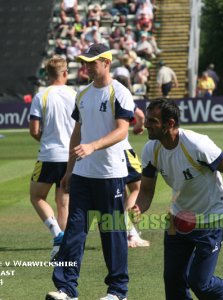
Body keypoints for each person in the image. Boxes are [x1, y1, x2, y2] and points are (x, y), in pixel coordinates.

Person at [131, 99, 223, 300]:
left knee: (201, 284)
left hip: (211, 218)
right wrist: (137, 208)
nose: (146, 124)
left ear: (170, 123)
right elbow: (146, 192)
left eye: (152, 120)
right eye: (146, 119)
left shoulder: (197, 144)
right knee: (173, 283)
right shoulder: (151, 149)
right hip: (178, 219)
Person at [46, 44, 135, 300]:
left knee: (113, 235)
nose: (86, 66)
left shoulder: (119, 92)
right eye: (85, 62)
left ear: (106, 62)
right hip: (83, 176)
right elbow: (77, 132)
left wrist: (93, 146)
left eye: (92, 62)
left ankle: (118, 292)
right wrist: (69, 170)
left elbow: (122, 131)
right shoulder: (82, 94)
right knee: (74, 233)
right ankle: (66, 289)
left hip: (111, 175)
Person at [29, 55, 76, 261]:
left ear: (47, 75)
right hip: (72, 155)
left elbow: (34, 130)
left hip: (50, 154)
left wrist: (45, 139)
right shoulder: (75, 94)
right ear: (65, 73)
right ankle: (62, 246)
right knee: (63, 201)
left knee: (37, 196)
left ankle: (57, 234)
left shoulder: (41, 95)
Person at [114, 75, 150, 248]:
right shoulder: (123, 94)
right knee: (137, 187)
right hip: (122, 149)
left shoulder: (102, 95)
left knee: (121, 193)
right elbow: (140, 115)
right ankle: (130, 232)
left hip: (105, 152)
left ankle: (129, 232)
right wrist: (139, 125)